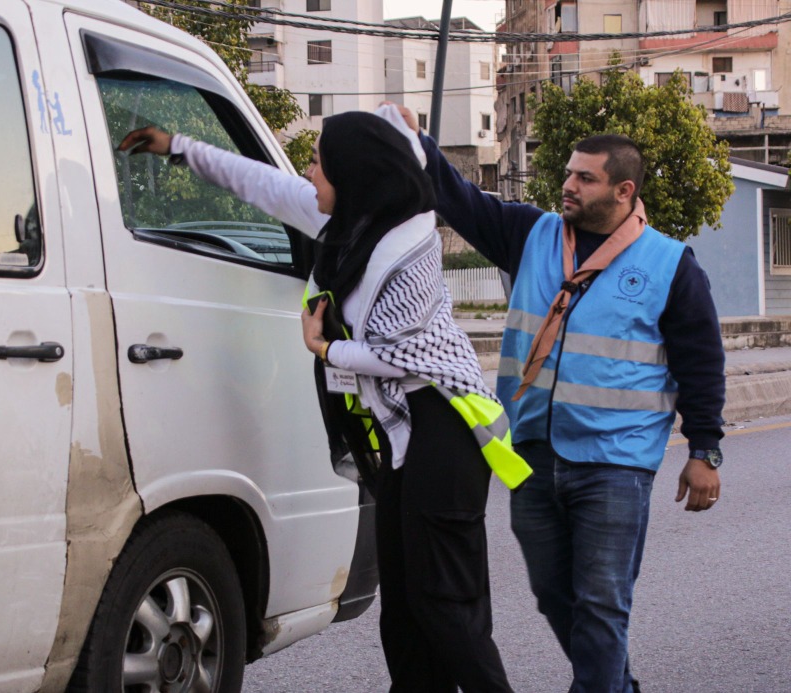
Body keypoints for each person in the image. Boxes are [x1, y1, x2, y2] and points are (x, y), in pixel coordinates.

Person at [118, 107, 531, 693]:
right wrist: (177, 145)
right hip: (404, 433)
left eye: (318, 162)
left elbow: (399, 355)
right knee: (405, 611)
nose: (308, 173)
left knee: (446, 605)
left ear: (355, 173)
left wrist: (325, 348)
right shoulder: (346, 222)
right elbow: (258, 181)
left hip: (445, 426)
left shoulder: (406, 246)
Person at [390, 104, 726, 693]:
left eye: (584, 178)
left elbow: (702, 364)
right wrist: (419, 142)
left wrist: (705, 451)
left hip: (615, 462)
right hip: (533, 452)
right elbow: (460, 197)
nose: (568, 185)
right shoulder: (532, 233)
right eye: (569, 174)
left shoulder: (670, 265)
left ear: (623, 191)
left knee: (601, 603)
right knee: (552, 595)